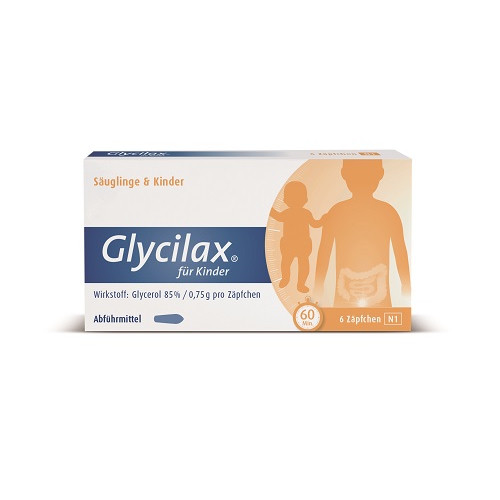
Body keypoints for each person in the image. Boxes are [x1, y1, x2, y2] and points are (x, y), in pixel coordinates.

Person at [315, 159, 410, 307]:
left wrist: (318, 286)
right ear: (380, 174)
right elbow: (401, 253)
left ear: (344, 174)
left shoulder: (337, 212)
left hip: (347, 301)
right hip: (376, 302)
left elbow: (324, 252)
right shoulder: (388, 212)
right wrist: (406, 285)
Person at [270, 181, 321, 293]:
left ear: (285, 200)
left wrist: (324, 220)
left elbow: (277, 216)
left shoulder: (303, 213)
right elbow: (315, 224)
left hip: (300, 244)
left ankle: (299, 283)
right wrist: (323, 220)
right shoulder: (299, 213)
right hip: (292, 243)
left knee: (294, 263)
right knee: (290, 262)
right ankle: (288, 279)